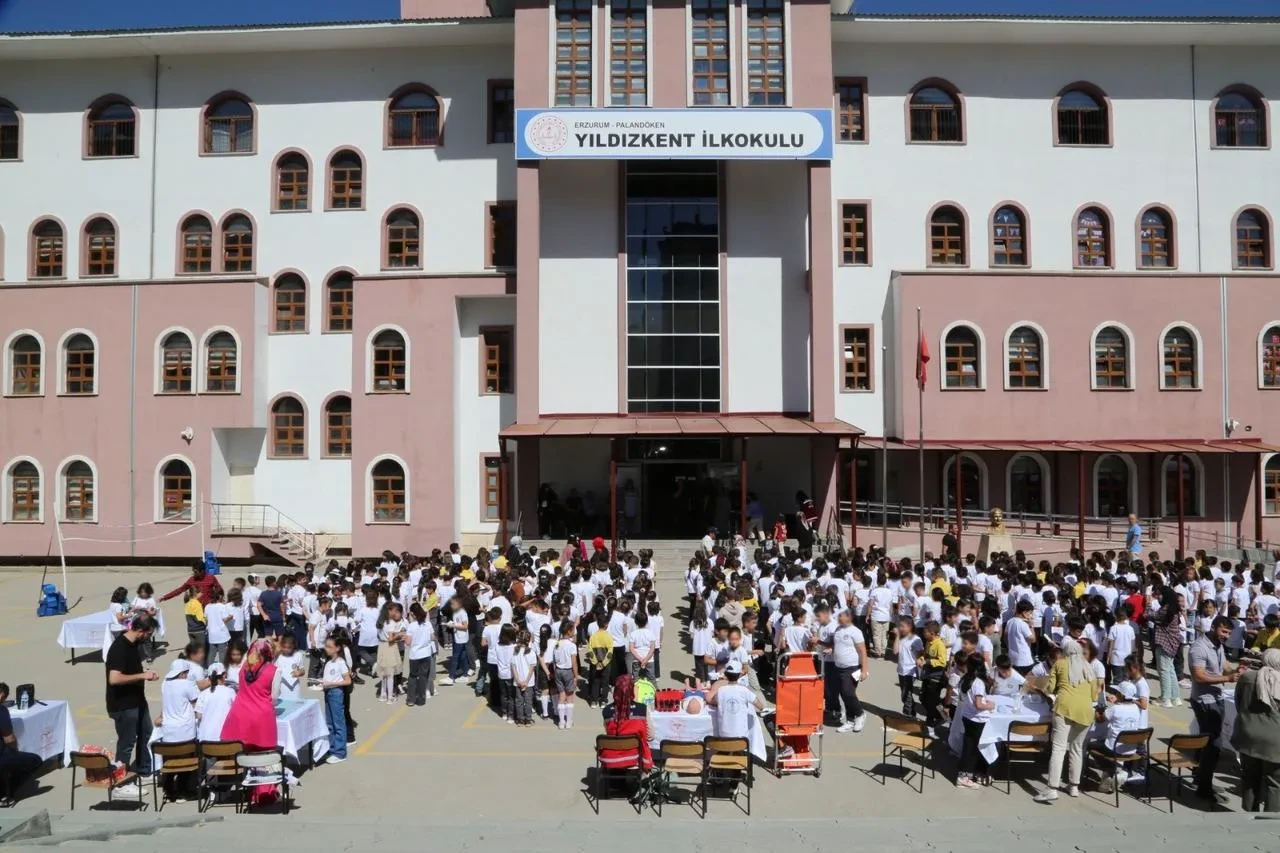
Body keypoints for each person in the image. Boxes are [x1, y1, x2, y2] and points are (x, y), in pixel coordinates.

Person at [1034, 638, 1100, 802]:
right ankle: (1074, 786)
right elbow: (1094, 694)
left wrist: (1043, 686)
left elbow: (1049, 687)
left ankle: (1052, 788)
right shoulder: (1089, 667)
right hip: (1085, 712)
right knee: (1077, 749)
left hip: (1064, 708)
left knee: (1058, 748)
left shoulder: (1060, 664)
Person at [105, 613, 159, 797]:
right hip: (123, 704)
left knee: (146, 732)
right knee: (127, 742)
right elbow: (114, 678)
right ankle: (120, 782)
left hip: (137, 700)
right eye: (148, 634)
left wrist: (143, 672)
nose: (149, 638)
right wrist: (142, 676)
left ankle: (144, 770)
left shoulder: (134, 644)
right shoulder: (120, 647)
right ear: (140, 630)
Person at [220, 640, 280, 804]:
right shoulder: (273, 671)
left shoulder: (244, 668)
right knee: (265, 756)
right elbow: (274, 697)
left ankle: (249, 790)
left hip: (241, 714)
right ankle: (265, 792)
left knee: (247, 754)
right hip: (262, 717)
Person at [1189, 615, 1239, 804]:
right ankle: (1204, 787)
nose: (1226, 636)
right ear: (1214, 627)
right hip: (1205, 700)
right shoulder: (1199, 647)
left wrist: (1235, 672)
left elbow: (1224, 666)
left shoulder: (1218, 645)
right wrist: (1228, 679)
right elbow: (1199, 676)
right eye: (1223, 631)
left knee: (1207, 740)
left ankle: (1201, 776)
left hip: (1217, 697)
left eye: (1228, 633)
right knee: (1213, 745)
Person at [1233, 649, 1280, 812]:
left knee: (1249, 779)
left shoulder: (1247, 677)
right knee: (1274, 784)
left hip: (1247, 736)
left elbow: (1237, 703)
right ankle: (1268, 823)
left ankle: (1248, 817)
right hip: (1274, 742)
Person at [157, 658, 200, 801]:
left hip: (168, 732)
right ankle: (184, 789)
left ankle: (169, 788)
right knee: (187, 759)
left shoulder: (165, 684)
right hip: (185, 731)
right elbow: (196, 703)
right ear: (182, 673)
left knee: (170, 759)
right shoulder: (186, 684)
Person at [956, 655, 995, 789]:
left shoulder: (966, 678)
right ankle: (968, 776)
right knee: (974, 749)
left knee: (969, 747)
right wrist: (990, 705)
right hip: (977, 719)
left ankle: (965, 774)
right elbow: (978, 704)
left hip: (968, 717)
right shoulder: (978, 682)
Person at [0, 683, 43, 802]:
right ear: (2, 695)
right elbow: (9, 739)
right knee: (36, 760)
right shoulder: (1, 710)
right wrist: (15, 752)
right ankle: (6, 791)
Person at [601, 675, 653, 770]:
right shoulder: (642, 709)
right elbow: (650, 735)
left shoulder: (606, 710)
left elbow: (608, 732)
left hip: (611, 758)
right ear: (632, 690)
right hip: (635, 757)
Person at [830, 608, 869, 733]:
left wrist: (864, 670)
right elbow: (835, 645)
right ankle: (850, 720)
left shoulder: (855, 632)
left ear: (849, 617)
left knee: (848, 693)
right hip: (838, 667)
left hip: (852, 668)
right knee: (843, 694)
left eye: (841, 616)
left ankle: (860, 714)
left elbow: (862, 651)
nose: (838, 618)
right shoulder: (837, 630)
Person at [706, 659, 765, 739]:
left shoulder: (721, 690)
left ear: (725, 674)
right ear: (739, 675)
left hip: (724, 736)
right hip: (742, 737)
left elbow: (711, 700)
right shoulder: (744, 690)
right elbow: (760, 705)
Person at [321, 638, 351, 764]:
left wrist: (332, 683)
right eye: (326, 646)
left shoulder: (340, 662)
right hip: (328, 692)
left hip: (336, 693)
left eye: (329, 647)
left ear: (337, 648)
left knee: (338, 723)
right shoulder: (328, 663)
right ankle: (332, 748)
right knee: (329, 723)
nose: (326, 649)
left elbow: (348, 680)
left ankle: (340, 752)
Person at [404, 602, 437, 707]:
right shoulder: (427, 623)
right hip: (426, 654)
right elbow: (433, 637)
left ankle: (411, 699)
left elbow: (408, 642)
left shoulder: (411, 626)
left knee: (413, 676)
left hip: (415, 655)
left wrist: (404, 638)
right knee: (423, 677)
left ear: (413, 614)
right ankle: (422, 699)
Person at [194, 664, 236, 742]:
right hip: (225, 741)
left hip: (205, 742)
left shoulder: (203, 694)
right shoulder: (230, 692)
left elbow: (199, 716)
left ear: (209, 678)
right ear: (224, 676)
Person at [551, 621, 579, 730]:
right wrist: (576, 676)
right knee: (570, 696)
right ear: (569, 631)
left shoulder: (557, 644)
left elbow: (554, 661)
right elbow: (574, 662)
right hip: (568, 671)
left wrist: (555, 671)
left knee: (561, 696)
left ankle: (561, 722)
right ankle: (569, 721)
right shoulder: (571, 645)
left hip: (558, 670)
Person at [159, 563, 223, 608]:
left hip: (209, 608)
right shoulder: (192, 580)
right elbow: (180, 589)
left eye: (195, 572)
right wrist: (165, 597)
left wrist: (220, 599)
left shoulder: (211, 578)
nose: (194, 573)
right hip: (195, 609)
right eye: (193, 571)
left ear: (202, 571)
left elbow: (219, 589)